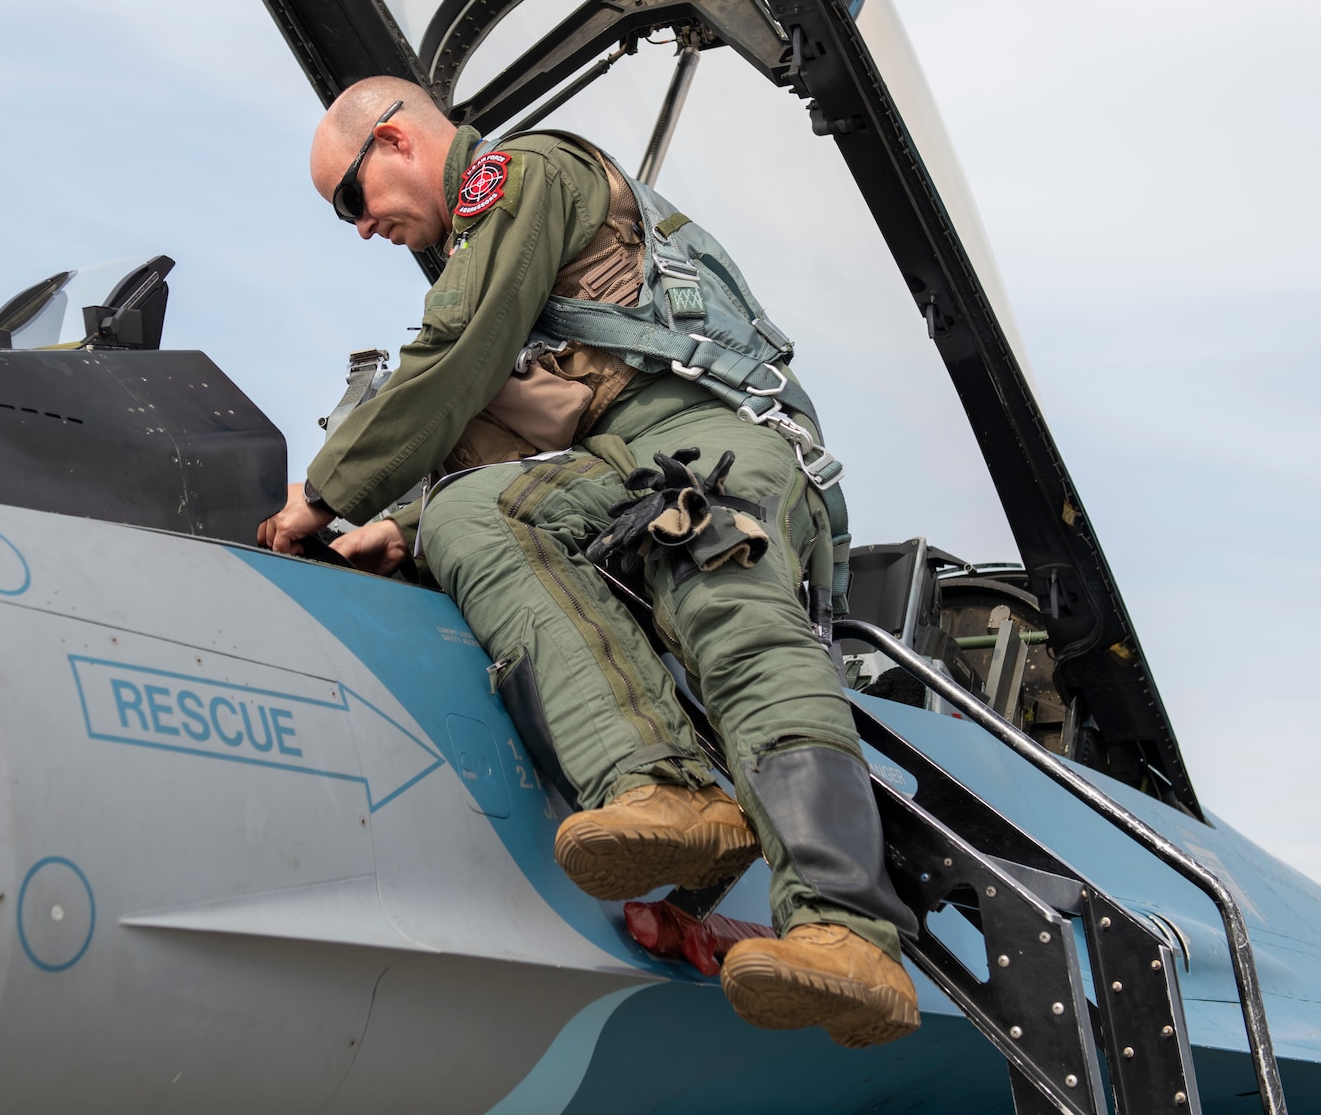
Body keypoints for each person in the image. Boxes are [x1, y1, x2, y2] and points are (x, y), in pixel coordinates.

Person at [257, 76, 919, 1048]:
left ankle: (844, 930)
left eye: (351, 200)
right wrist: (396, 526)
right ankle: (660, 786)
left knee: (718, 600)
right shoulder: (501, 277)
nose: (357, 229)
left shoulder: (522, 177)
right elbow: (489, 426)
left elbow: (452, 363)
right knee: (469, 515)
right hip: (615, 462)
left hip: (720, 438)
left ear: (394, 142)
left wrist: (320, 493)